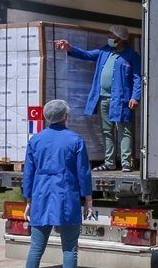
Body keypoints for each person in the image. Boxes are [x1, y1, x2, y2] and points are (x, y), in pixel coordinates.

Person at [20, 99, 96, 268]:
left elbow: (28, 173)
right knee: (69, 249)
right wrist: (88, 199)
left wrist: (28, 199)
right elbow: (83, 173)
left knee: (36, 249)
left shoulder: (36, 140)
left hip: (41, 197)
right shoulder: (75, 140)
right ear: (65, 116)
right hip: (66, 197)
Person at [52, 24, 141, 172]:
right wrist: (70, 48)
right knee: (107, 130)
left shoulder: (131, 55)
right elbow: (86, 54)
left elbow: (138, 78)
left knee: (123, 130)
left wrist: (135, 97)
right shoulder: (104, 51)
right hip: (103, 98)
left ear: (119, 39)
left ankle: (126, 163)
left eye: (111, 35)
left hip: (121, 99)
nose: (109, 37)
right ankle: (110, 162)